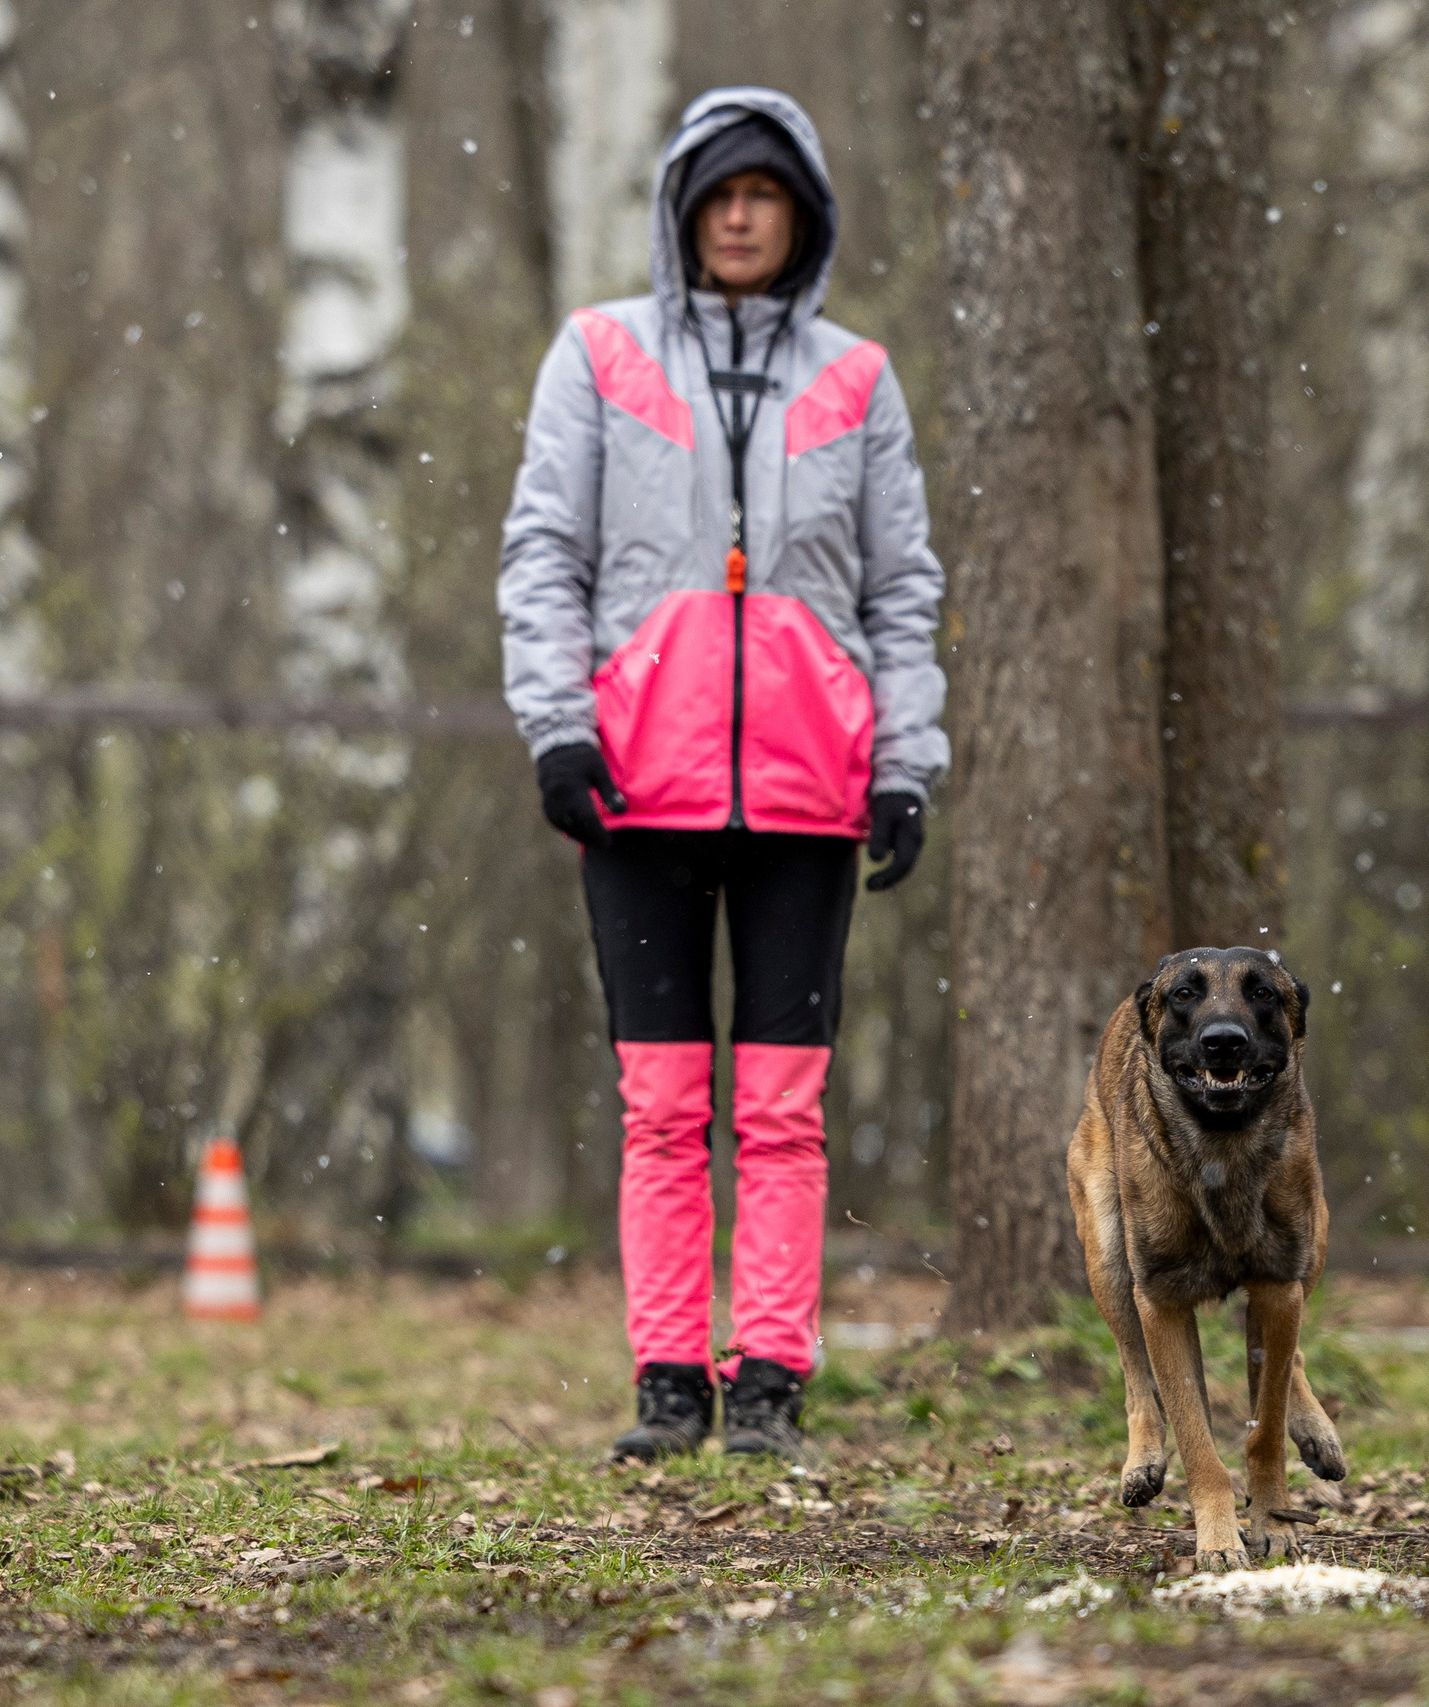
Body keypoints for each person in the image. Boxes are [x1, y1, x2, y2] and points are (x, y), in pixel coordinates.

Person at [498, 88, 947, 1462]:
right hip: (638, 789)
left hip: (812, 796)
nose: (741, 214)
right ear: (682, 211)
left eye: (765, 194)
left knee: (781, 1107)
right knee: (661, 1100)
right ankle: (667, 1379)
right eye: (718, 192)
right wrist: (558, 729)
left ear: (802, 216)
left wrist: (906, 760)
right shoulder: (597, 355)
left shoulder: (856, 379)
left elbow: (901, 590)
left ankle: (770, 1380)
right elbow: (542, 559)